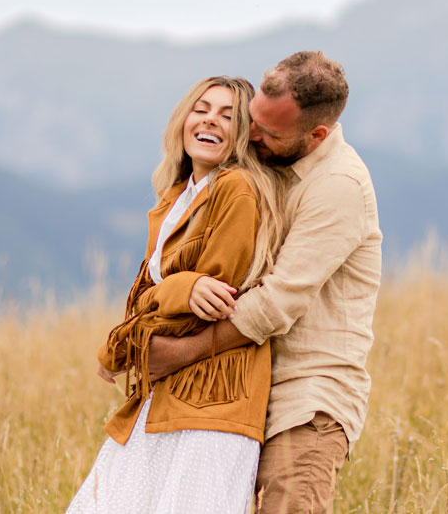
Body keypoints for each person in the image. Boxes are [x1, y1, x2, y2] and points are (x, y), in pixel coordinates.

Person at [146, 51, 382, 513]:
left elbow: (275, 304)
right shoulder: (260, 167)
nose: (251, 135)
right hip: (241, 392)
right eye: (252, 119)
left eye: (269, 132)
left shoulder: (339, 186)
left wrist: (176, 355)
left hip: (307, 399)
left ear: (317, 135)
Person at [66, 75, 289, 514]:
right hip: (171, 393)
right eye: (201, 109)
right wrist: (170, 297)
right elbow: (157, 297)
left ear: (244, 133)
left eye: (228, 115)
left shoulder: (236, 189)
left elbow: (204, 306)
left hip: (213, 402)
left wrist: (128, 336)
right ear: (183, 119)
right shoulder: (176, 198)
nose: (210, 121)